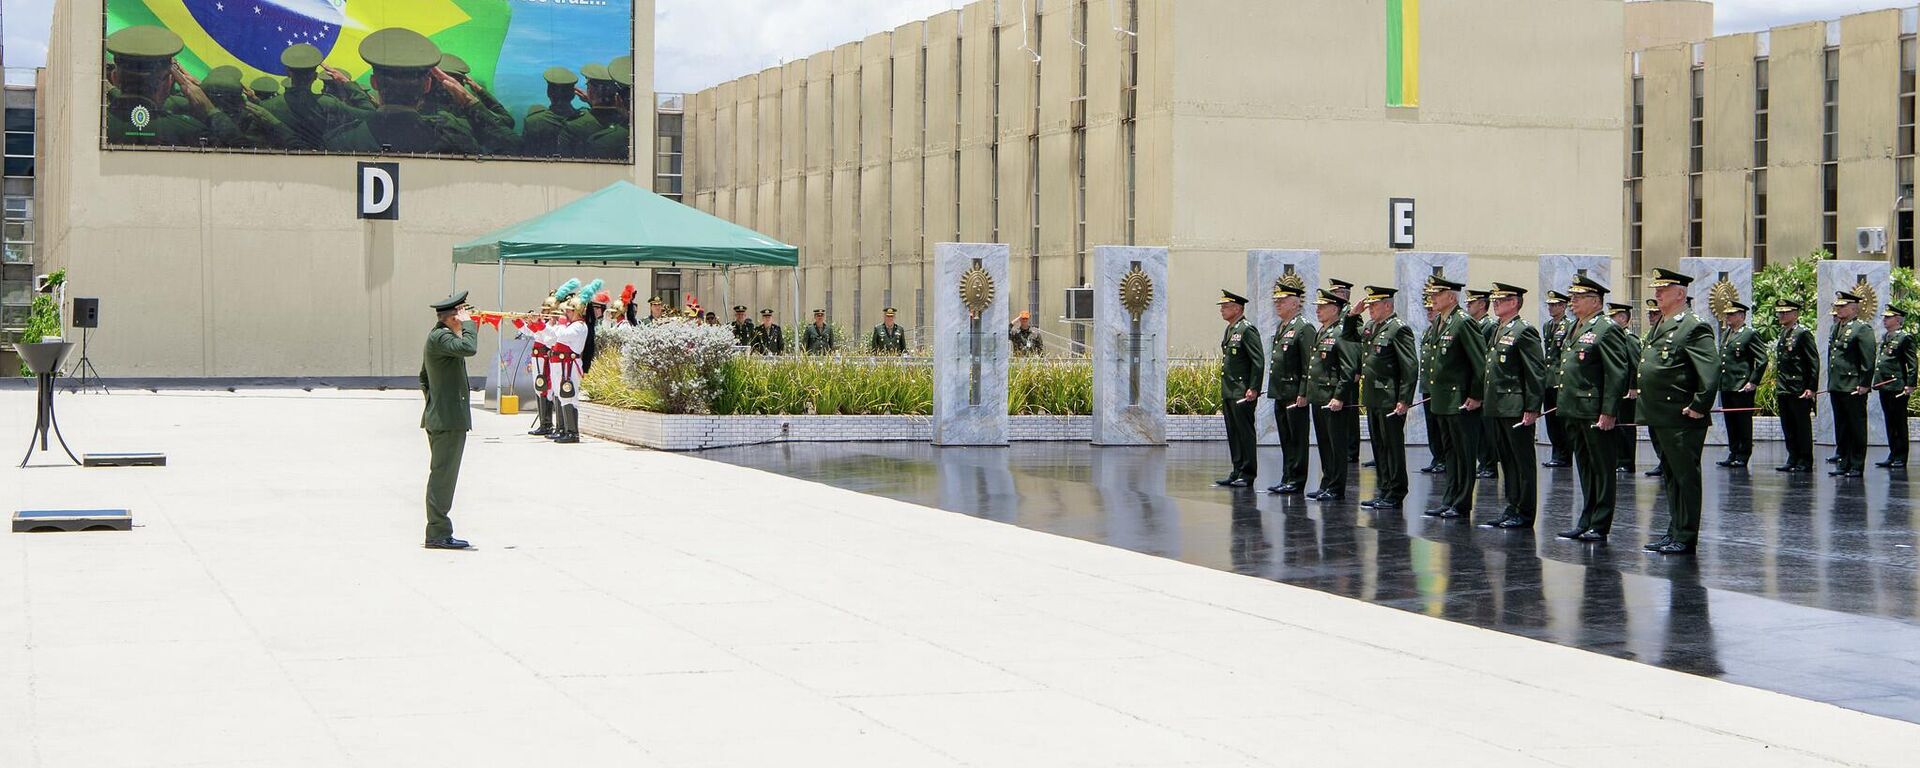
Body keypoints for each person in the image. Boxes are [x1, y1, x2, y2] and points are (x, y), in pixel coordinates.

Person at [1637, 269, 1719, 555]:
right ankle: (1674, 529)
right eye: (1656, 289)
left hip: (1681, 415)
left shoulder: (1693, 326)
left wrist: (1699, 405)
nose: (1657, 294)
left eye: (1664, 289)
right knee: (1671, 476)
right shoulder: (1662, 324)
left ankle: (1685, 535)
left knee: (1685, 477)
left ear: (1680, 293)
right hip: (1661, 415)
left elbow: (1709, 372)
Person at [1555, 276, 1633, 542]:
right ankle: (1586, 518)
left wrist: (1609, 411)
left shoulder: (1606, 328)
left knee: (1601, 468)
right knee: (1585, 467)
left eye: (1578, 297)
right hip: (1574, 409)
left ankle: (1600, 523)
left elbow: (1616, 372)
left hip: (1594, 410)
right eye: (1572, 297)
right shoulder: (1575, 326)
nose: (1572, 301)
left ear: (1595, 301)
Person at [325, 29, 481, 155]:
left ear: (374, 83)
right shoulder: (454, 141)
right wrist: (471, 102)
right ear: (427, 85)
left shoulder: (341, 141)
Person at [1476, 283, 1545, 529]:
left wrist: (1532, 406)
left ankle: (1525, 511)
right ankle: (1512, 506)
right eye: (1494, 299)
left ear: (1514, 302)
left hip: (1515, 405)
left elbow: (1535, 371)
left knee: (1521, 461)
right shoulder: (1497, 329)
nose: (1494, 303)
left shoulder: (1524, 331)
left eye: (1501, 299)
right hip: (1497, 405)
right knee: (1507, 460)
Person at [1421, 277, 1487, 520]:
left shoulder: (1463, 322)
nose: (1433, 299)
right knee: (1450, 452)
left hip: (1460, 400)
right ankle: (1449, 498)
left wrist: (1476, 395)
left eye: (1438, 294)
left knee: (1464, 453)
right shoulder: (1440, 321)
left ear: (1451, 297)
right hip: (1442, 400)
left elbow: (1480, 364)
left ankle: (1461, 503)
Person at [420, 291, 478, 550]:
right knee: (443, 476)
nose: (465, 317)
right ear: (453, 317)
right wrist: (470, 325)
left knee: (444, 475)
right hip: (447, 420)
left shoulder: (441, 337)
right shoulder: (441, 337)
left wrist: (435, 404)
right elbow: (469, 348)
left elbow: (423, 378)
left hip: (444, 417)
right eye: (461, 313)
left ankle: (439, 530)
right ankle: (438, 533)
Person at [1354, 287, 1418, 510]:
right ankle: (1384, 488)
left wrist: (1404, 399)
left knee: (1392, 446)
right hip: (1373, 396)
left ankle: (1396, 491)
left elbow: (1409, 366)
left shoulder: (1398, 329)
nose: (1370, 308)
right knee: (1379, 447)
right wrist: (1353, 315)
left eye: (1374, 305)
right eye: (1369, 305)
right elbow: (1349, 335)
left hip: (1390, 397)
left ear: (1388, 306)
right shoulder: (1372, 327)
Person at [103, 26, 219, 146]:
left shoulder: (94, 126)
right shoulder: (191, 131)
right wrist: (211, 111)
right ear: (168, 83)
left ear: (115, 78)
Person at [260, 44, 370, 151]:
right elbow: (370, 116)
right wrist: (346, 82)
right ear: (314, 77)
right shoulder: (328, 103)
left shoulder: (266, 107)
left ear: (288, 73)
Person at [1305, 290, 1359, 501]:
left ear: (1335, 309)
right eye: (1317, 306)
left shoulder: (1340, 333)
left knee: (1336, 446)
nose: (1317, 310)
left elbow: (1348, 369)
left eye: (1322, 306)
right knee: (1325, 444)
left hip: (1332, 398)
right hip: (1319, 396)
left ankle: (1336, 487)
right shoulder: (1323, 331)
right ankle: (1327, 482)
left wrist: (1339, 396)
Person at [1265, 283, 1316, 495]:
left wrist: (1304, 392)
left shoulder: (1304, 328)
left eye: (1282, 300)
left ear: (1295, 304)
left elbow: (1308, 364)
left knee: (1297, 438)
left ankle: (1297, 479)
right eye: (1276, 301)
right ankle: (1287, 476)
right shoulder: (1283, 326)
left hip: (1295, 393)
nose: (1278, 304)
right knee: (1286, 438)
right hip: (1281, 392)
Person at [1215, 290, 1265, 488]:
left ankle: (1247, 473)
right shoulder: (1231, 329)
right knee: (1233, 433)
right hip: (1230, 390)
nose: (1222, 310)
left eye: (1225, 307)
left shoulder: (1246, 329)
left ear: (1237, 308)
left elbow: (1258, 361)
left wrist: (1254, 387)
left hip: (1242, 391)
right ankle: (1237, 471)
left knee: (1244, 433)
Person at [1826, 291, 1877, 478]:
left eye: (1842, 306)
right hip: (1838, 385)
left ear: (1854, 308)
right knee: (1842, 426)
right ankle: (1844, 462)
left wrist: (1864, 383)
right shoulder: (1836, 328)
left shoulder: (1861, 329)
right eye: (1837, 306)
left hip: (1853, 385)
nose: (1838, 309)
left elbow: (1868, 359)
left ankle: (1856, 464)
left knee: (1856, 426)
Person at [1715, 301, 1766, 468]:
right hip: (1727, 384)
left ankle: (1743, 454)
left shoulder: (1749, 334)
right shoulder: (1726, 334)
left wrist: (1753, 381)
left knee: (1742, 422)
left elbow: (1762, 359)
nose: (1728, 317)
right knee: (1730, 421)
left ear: (1742, 316)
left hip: (1742, 385)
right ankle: (1733, 452)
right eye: (1727, 314)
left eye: (1731, 314)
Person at [1772, 298, 1819, 472]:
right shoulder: (1785, 333)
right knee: (1788, 425)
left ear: (1795, 314)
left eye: (1785, 312)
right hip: (1784, 387)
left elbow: (1812, 361)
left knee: (1801, 425)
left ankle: (1805, 459)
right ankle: (1793, 456)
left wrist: (1811, 387)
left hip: (1799, 388)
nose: (1782, 315)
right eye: (1780, 312)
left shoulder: (1803, 333)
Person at [547, 283, 595, 444]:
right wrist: (538, 324)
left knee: (569, 396)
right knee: (563, 395)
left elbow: (561, 336)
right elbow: (551, 336)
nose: (565, 313)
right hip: (562, 364)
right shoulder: (572, 325)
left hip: (569, 365)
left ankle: (572, 432)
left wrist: (559, 322)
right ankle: (566, 430)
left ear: (576, 311)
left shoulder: (578, 327)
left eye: (568, 310)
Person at [1874, 306, 1916, 468]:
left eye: (1888, 317)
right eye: (1884, 317)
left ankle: (1901, 456)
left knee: (1899, 422)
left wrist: (1910, 384)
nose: (1884, 320)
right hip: (1885, 385)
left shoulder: (1905, 338)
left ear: (1898, 320)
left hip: (1897, 385)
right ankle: (1893, 453)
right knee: (1890, 422)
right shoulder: (1886, 336)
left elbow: (1912, 363)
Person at [1328, 279, 1364, 465]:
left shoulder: (1352, 315)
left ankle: (1352, 450)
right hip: (1338, 368)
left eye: (1335, 293)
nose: (1332, 296)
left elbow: (1356, 343)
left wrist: (1358, 368)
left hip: (1349, 369)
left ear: (1343, 295)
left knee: (1349, 410)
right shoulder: (1335, 313)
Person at [521, 67, 593, 157]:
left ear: (548, 93)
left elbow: (525, 156)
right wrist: (590, 101)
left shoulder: (532, 122)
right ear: (573, 94)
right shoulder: (587, 120)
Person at [1541, 291, 1576, 467]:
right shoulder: (1548, 326)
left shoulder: (1569, 325)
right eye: (1549, 305)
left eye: (1555, 305)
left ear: (1563, 306)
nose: (1551, 307)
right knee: (1550, 418)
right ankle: (1557, 452)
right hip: (1548, 378)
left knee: (1561, 418)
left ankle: (1564, 454)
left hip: (1560, 377)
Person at [1608, 302, 1641, 473]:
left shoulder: (1629, 338)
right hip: (1616, 389)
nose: (1610, 320)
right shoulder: (1616, 337)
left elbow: (1635, 364)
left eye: (1612, 317)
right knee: (1616, 425)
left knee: (1626, 426)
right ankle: (1618, 459)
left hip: (1627, 390)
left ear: (1622, 318)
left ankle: (1627, 461)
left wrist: (1634, 387)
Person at [1418, 301, 1450, 475]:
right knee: (1432, 426)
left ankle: (1444, 459)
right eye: (1427, 309)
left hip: (1439, 388)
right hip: (1427, 386)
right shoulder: (1428, 331)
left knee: (1441, 426)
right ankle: (1437, 457)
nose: (1429, 311)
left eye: (1432, 308)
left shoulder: (1444, 331)